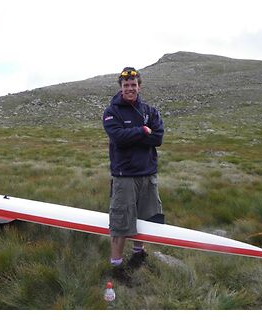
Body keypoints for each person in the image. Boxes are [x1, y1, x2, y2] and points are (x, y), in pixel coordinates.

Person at [102, 67, 164, 279]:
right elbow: (118, 137)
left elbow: (158, 139)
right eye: (126, 85)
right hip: (124, 176)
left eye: (133, 85)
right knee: (121, 223)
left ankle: (139, 254)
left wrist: (137, 136)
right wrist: (141, 131)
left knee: (146, 218)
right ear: (121, 87)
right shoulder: (111, 112)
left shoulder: (150, 111)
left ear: (139, 86)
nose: (130, 88)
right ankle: (116, 267)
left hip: (148, 174)